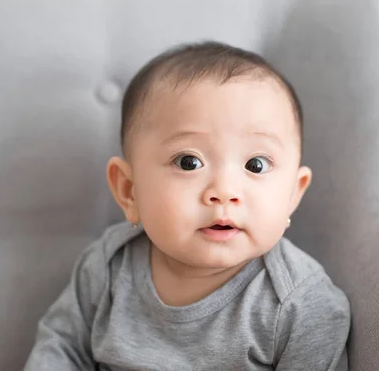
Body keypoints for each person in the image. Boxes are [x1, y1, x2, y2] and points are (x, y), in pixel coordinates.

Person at [24, 41, 350, 370]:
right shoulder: (107, 267)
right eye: (189, 162)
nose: (224, 192)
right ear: (129, 191)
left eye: (256, 165)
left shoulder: (303, 306)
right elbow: (61, 348)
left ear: (293, 194)